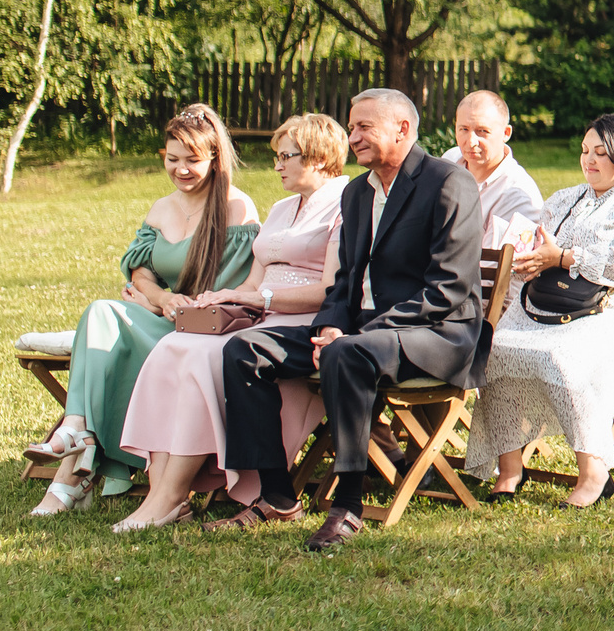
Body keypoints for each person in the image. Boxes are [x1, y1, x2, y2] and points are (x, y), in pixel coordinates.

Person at [210, 88, 486, 551]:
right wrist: (329, 325)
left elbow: (449, 289)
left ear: (402, 129)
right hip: (361, 332)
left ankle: (348, 505)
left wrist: (356, 334)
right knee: (244, 350)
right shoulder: (357, 192)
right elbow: (344, 280)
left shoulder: (448, 183)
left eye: (363, 127)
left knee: (346, 352)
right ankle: (277, 494)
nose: (352, 136)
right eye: (352, 126)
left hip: (438, 333)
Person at [112, 114, 352, 530]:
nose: (276, 165)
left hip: (305, 321)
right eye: (277, 156)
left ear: (317, 158)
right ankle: (160, 492)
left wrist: (258, 298)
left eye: (286, 156)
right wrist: (224, 298)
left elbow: (332, 288)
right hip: (261, 315)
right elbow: (254, 281)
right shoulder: (281, 208)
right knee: (173, 346)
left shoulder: (345, 204)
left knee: (201, 357)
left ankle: (172, 494)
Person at [25, 104, 260, 514]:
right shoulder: (162, 208)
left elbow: (228, 294)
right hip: (164, 319)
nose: (180, 169)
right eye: (172, 159)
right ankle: (77, 428)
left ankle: (74, 474)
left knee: (108, 340)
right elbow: (141, 276)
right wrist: (160, 300)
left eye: (192, 160)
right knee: (101, 311)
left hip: (202, 334)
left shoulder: (236, 209)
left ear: (214, 158)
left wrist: (157, 305)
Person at [466, 115, 614, 507]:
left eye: (600, 153)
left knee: (562, 357)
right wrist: (530, 261)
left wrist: (563, 257)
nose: (589, 160)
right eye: (584, 151)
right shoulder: (564, 198)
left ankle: (594, 474)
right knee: (493, 350)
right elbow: (539, 250)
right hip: (548, 304)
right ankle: (510, 470)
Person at [445, 89, 542, 247]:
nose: (471, 142)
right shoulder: (450, 160)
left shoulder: (517, 194)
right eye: (464, 129)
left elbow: (493, 260)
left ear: (506, 133)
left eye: (482, 131)